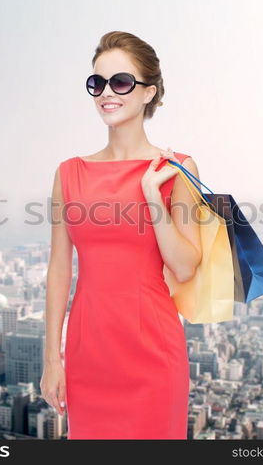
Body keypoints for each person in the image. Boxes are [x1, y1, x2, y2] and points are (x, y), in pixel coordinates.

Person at [40, 31, 202, 439]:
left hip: (153, 353)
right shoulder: (69, 174)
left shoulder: (177, 169)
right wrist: (51, 360)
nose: (106, 93)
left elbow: (184, 267)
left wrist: (152, 195)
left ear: (149, 93)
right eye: (97, 83)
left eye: (121, 82)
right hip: (87, 352)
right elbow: (59, 270)